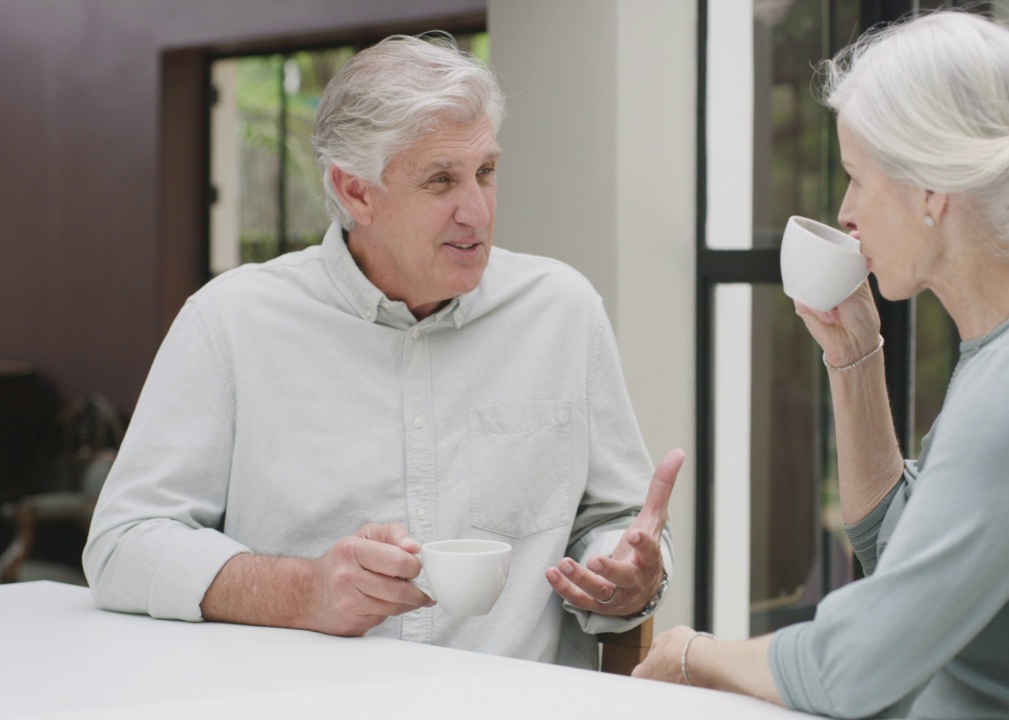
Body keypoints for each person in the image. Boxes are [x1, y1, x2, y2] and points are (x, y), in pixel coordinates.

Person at [634, 10, 1009, 718]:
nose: (845, 210)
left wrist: (693, 652)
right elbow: (895, 550)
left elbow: (857, 666)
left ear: (931, 191)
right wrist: (855, 359)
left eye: (857, 179)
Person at [83, 33, 680, 670]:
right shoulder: (228, 322)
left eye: (485, 171)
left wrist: (628, 572)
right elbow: (123, 546)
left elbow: (616, 522)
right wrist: (305, 591)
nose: (477, 211)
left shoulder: (563, 310)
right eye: (441, 180)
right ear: (355, 192)